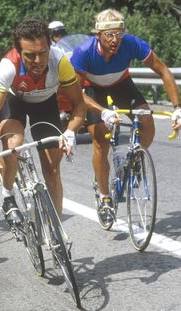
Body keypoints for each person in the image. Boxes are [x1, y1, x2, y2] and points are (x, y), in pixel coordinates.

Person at [70, 8, 181, 219]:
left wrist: (177, 108)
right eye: (109, 35)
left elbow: (163, 70)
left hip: (122, 84)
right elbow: (75, 93)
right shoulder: (84, 52)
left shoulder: (131, 43)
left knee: (147, 119)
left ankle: (135, 157)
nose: (115, 39)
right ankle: (104, 198)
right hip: (93, 90)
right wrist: (103, 112)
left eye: (119, 34)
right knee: (100, 142)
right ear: (98, 35)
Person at [0, 18, 86, 228]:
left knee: (53, 170)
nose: (38, 60)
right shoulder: (8, 66)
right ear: (19, 52)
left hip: (44, 103)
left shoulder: (60, 61)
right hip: (15, 101)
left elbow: (79, 106)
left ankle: (57, 231)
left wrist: (71, 132)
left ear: (50, 45)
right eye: (30, 55)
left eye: (43, 52)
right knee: (13, 146)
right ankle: (8, 195)